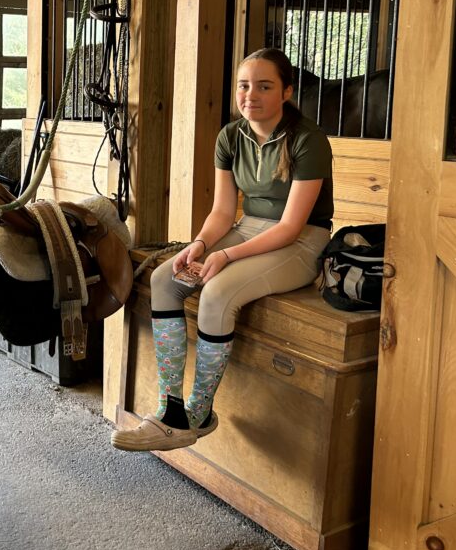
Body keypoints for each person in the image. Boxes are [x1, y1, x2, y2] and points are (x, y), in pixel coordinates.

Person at [111, 48, 334, 452]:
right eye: (244, 85)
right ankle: (170, 410)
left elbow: (290, 227)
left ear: (286, 92)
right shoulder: (231, 136)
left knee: (216, 293)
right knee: (165, 279)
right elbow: (223, 211)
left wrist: (226, 255)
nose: (251, 95)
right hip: (247, 228)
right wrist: (198, 245)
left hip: (302, 242)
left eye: (264, 86)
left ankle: (197, 414)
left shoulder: (308, 139)